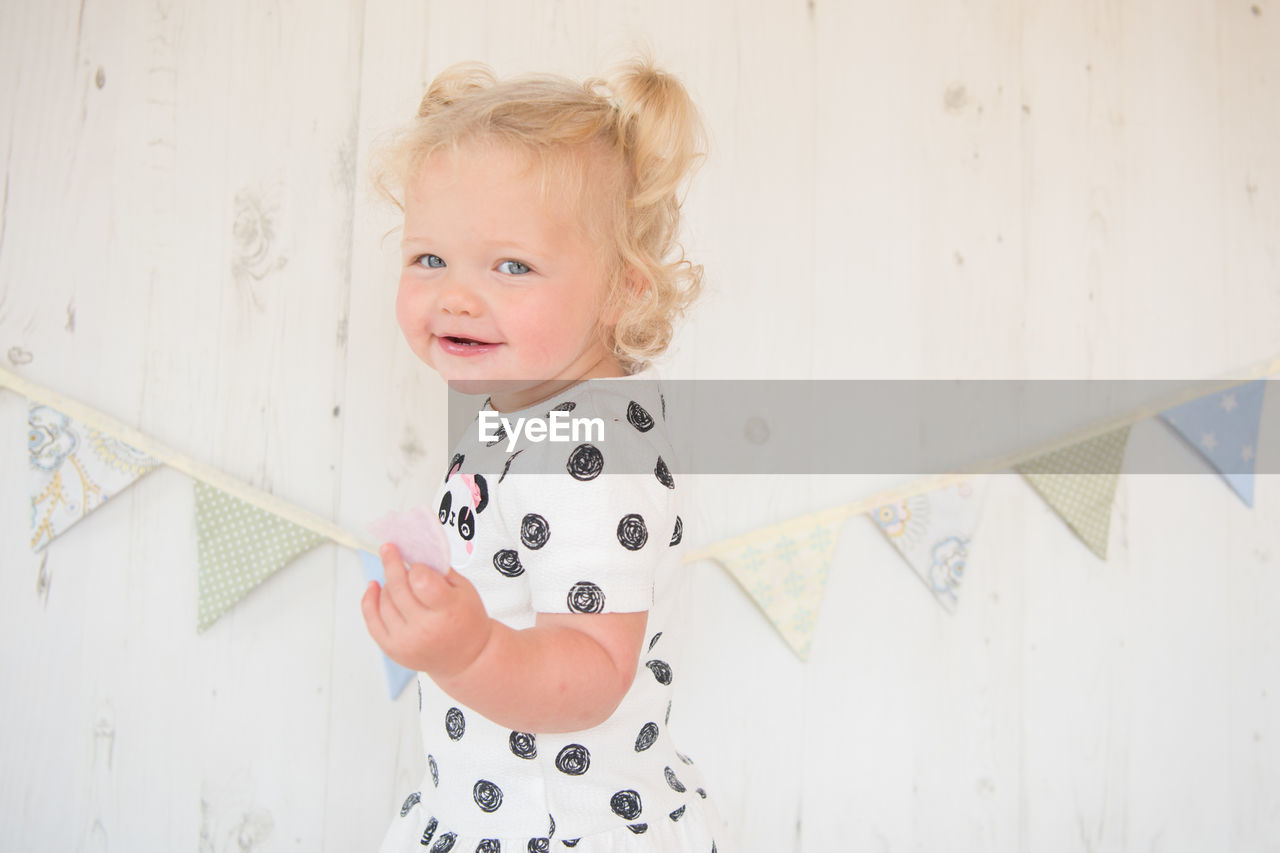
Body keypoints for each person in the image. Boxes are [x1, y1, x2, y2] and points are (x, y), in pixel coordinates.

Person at [362, 55, 721, 852]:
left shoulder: (584, 451)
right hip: (496, 806)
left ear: (625, 287)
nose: (455, 294)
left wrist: (470, 648)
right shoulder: (530, 413)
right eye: (430, 258)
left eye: (512, 266)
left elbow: (592, 668)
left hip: (556, 830)